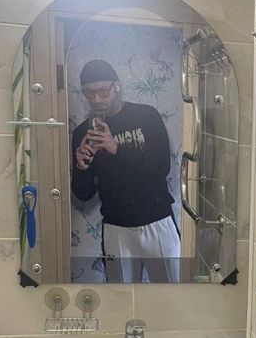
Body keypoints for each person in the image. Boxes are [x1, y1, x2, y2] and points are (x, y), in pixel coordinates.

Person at [71, 59, 181, 283]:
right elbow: (83, 194)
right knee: (121, 298)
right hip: (116, 227)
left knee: (172, 295)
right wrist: (82, 167)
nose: (96, 99)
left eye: (103, 91)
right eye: (89, 93)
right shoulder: (84, 132)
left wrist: (116, 148)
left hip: (157, 220)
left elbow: (161, 167)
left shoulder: (146, 116)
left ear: (117, 87)